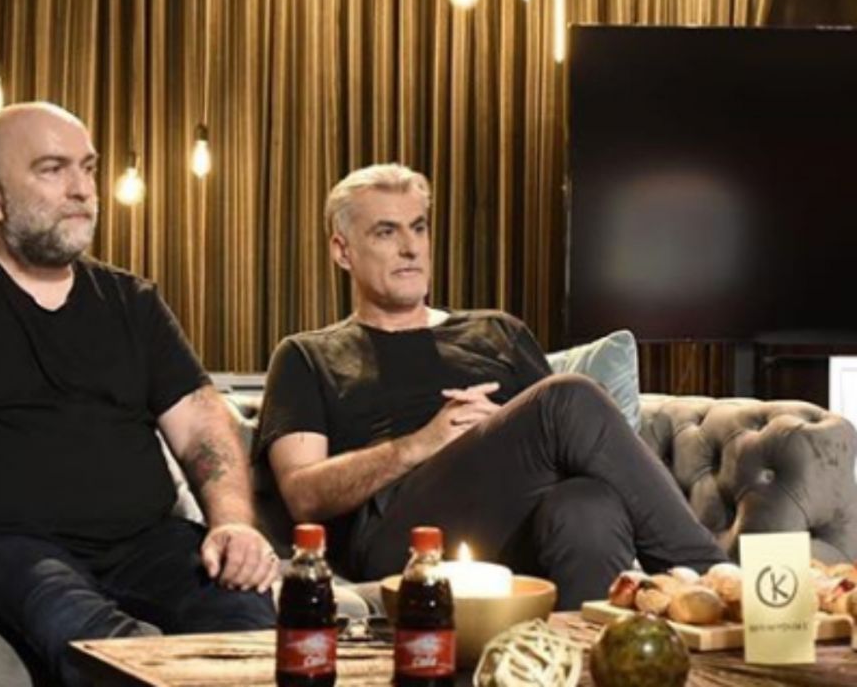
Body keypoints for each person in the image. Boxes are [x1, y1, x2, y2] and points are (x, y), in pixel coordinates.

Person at [0, 102, 277, 686]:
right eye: (52, 169)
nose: (82, 189)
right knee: (73, 616)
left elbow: (202, 425)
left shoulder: (132, 303)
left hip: (141, 545)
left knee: (246, 616)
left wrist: (234, 523)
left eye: (87, 168)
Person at [256, 163, 728, 609]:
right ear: (342, 250)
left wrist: (498, 433)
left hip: (517, 528)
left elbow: (565, 448)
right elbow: (302, 494)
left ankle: (581, 655)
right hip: (402, 541)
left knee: (587, 507)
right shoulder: (307, 355)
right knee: (567, 397)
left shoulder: (498, 332)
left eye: (418, 228)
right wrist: (420, 444)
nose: (411, 248)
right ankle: (715, 582)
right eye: (386, 232)